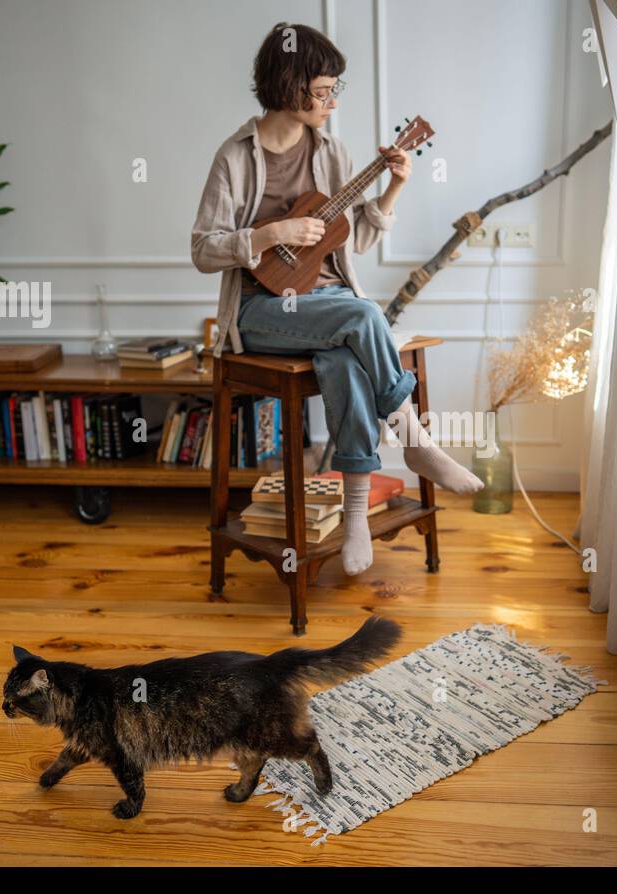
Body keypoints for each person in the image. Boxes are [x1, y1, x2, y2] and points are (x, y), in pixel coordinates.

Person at [191, 22, 482, 577]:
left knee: (348, 358)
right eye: (323, 91)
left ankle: (353, 518)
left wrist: (394, 186)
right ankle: (414, 437)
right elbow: (203, 249)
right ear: (290, 85)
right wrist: (271, 235)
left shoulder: (331, 154)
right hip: (261, 313)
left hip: (327, 309)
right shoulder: (235, 156)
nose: (331, 102)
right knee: (364, 313)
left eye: (334, 91)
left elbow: (352, 238)